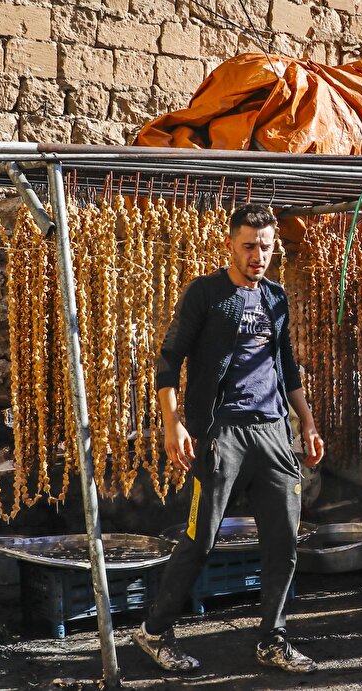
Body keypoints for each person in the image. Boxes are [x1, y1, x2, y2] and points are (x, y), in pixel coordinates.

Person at [133, 204, 325, 674]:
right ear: (230, 245)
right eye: (249, 246)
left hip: (274, 433)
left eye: (266, 247)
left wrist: (307, 422)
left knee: (284, 541)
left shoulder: (276, 297)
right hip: (221, 435)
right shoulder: (205, 293)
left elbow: (287, 365)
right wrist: (173, 423)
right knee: (200, 539)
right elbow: (168, 360)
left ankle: (273, 640)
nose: (258, 255)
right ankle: (154, 632)